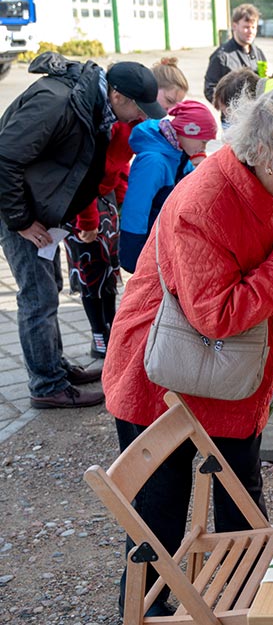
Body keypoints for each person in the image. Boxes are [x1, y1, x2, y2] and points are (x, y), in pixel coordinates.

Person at [102, 83, 273, 618]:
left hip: (228, 376)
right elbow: (217, 313)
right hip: (161, 376)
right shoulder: (204, 202)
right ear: (269, 154)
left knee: (240, 497)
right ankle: (146, 613)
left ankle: (248, 604)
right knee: (159, 519)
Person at [0, 53, 163, 410]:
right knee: (37, 297)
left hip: (41, 208)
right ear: (118, 96)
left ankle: (53, 367)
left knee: (49, 290)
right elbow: (5, 157)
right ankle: (46, 385)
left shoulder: (94, 104)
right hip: (21, 211)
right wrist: (22, 221)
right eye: (139, 108)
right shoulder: (58, 102)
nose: (141, 117)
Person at [65, 59, 190, 359]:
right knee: (91, 270)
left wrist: (119, 198)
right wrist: (91, 219)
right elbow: (90, 173)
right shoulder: (113, 121)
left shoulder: (139, 124)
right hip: (83, 204)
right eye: (169, 101)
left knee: (109, 273)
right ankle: (100, 337)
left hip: (104, 200)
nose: (171, 110)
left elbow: (119, 168)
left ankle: (111, 334)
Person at [119, 100, 218, 272]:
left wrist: (199, 169)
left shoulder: (178, 153)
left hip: (162, 241)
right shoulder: (154, 162)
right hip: (146, 243)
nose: (203, 147)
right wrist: (132, 250)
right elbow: (136, 207)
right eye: (202, 142)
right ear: (187, 132)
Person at [203, 3, 267, 104]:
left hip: (256, 115)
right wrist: (230, 107)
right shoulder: (222, 56)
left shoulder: (258, 53)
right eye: (246, 27)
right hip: (232, 117)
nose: (250, 31)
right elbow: (210, 89)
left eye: (253, 27)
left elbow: (265, 86)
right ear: (234, 26)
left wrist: (269, 76)